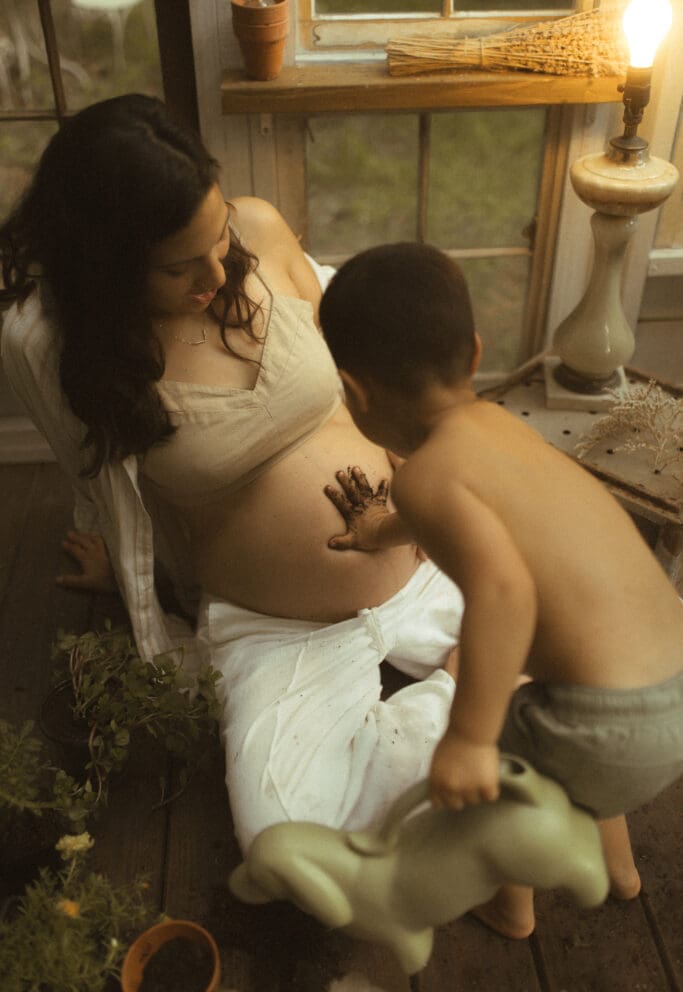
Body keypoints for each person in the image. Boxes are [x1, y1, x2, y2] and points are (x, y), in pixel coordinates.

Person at [0, 95, 465, 854]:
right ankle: (473, 702)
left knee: (591, 644)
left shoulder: (257, 229)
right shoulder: (66, 348)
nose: (215, 274)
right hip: (277, 625)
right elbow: (96, 482)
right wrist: (124, 573)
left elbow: (365, 361)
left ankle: (471, 705)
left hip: (421, 540)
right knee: (286, 836)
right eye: (180, 266)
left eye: (217, 242)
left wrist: (424, 476)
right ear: (107, 263)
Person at [318, 241, 683, 939]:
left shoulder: (424, 475)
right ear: (476, 348)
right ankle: (619, 872)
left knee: (500, 785)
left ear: (354, 390)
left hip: (602, 727)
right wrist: (377, 533)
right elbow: (445, 516)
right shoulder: (501, 432)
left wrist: (468, 739)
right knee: (570, 759)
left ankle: (510, 908)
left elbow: (503, 589)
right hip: (667, 693)